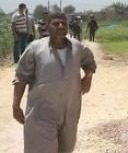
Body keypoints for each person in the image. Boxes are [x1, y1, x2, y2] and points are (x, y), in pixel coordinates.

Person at [12, 12, 97, 153]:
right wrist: (16, 105)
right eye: (56, 24)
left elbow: (89, 62)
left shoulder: (77, 47)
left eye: (64, 23)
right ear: (47, 26)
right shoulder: (35, 49)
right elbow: (21, 77)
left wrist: (88, 77)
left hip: (70, 112)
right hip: (41, 114)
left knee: (66, 149)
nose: (61, 26)